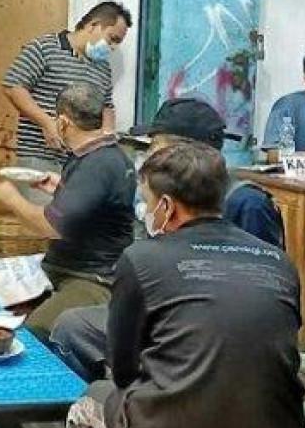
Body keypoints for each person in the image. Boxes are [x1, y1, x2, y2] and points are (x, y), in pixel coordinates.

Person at [62, 141, 305, 428]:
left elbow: (122, 369)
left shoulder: (142, 259)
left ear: (167, 206)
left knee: (92, 399)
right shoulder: (279, 262)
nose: (145, 211)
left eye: (147, 201)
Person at [51, 96, 285, 381]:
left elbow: (265, 297)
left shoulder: (247, 203)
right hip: (166, 309)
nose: (148, 154)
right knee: (74, 324)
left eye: (155, 145)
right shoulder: (159, 196)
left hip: (211, 330)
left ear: (181, 152)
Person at [0, 83, 135, 338]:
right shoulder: (105, 154)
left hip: (92, 277)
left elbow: (50, 227)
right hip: (64, 267)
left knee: (35, 333)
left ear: (63, 122)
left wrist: (11, 198)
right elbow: (95, 202)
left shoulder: (98, 165)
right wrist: (61, 187)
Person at [3, 1, 131, 202]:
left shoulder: (102, 67)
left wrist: (105, 143)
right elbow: (13, 86)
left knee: (71, 227)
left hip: (81, 165)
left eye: (117, 44)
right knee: (43, 224)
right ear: (93, 25)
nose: (113, 48)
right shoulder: (44, 48)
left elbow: (107, 107)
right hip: (40, 156)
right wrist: (47, 123)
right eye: (112, 39)